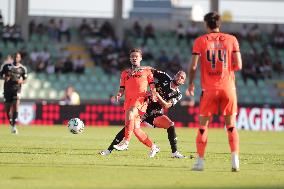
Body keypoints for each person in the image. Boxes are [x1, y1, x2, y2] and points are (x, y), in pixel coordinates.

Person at [186, 12, 242, 172]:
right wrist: (225, 69)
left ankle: (200, 162)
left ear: (206, 24)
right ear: (220, 23)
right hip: (228, 88)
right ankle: (234, 160)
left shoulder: (200, 41)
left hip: (209, 89)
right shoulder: (232, 40)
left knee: (203, 126)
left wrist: (190, 83)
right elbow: (239, 65)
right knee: (231, 126)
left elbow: (193, 66)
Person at [100, 70, 188, 159]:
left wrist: (157, 95)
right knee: (129, 127)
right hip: (144, 107)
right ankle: (109, 150)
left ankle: (174, 152)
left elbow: (166, 105)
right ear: (175, 75)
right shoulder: (165, 77)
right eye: (178, 75)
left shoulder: (178, 94)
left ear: (183, 82)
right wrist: (137, 70)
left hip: (155, 112)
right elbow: (149, 70)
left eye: (182, 78)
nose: (179, 78)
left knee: (170, 124)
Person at [112, 48, 160, 157]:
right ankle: (154, 147)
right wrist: (119, 94)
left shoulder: (147, 72)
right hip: (128, 101)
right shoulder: (125, 73)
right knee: (136, 130)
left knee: (131, 113)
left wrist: (153, 93)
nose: (134, 58)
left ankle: (126, 142)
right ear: (130, 59)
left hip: (140, 101)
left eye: (136, 56)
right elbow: (122, 88)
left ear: (141, 58)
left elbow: (152, 86)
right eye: (132, 56)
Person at [0, 53, 28, 134]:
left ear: (20, 58)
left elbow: (25, 79)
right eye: (15, 57)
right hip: (7, 90)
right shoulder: (6, 66)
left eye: (18, 57)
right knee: (7, 109)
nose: (16, 58)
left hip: (17, 89)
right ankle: (12, 124)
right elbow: (0, 75)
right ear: (13, 58)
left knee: (16, 106)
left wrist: (21, 81)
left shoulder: (22, 68)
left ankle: (14, 126)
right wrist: (5, 77)